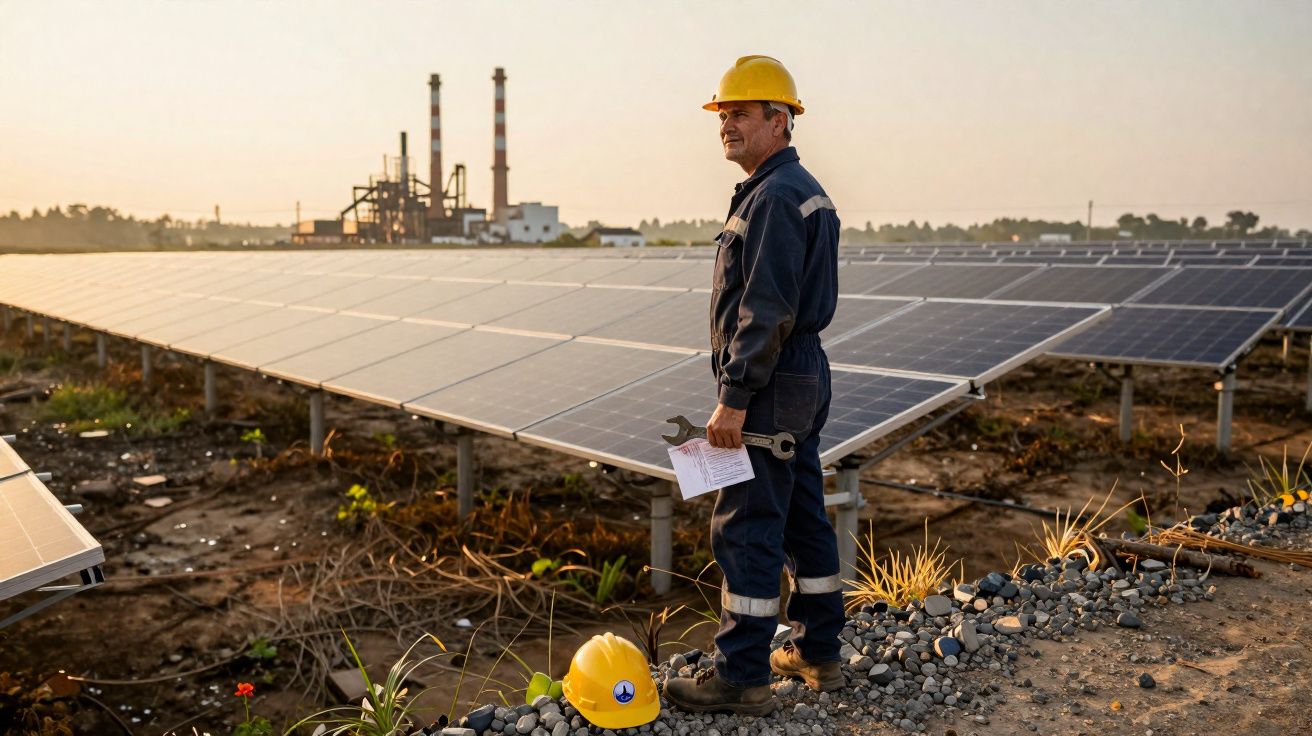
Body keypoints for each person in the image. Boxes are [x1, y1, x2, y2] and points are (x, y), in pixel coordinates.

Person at [664, 55, 845, 715]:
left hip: (770, 380)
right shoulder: (798, 189)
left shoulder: (772, 197)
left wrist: (733, 400)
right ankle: (818, 651)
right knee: (802, 515)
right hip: (800, 375)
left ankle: (740, 677)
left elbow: (765, 310)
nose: (727, 125)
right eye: (723, 115)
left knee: (745, 522)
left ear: (780, 120)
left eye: (740, 113)